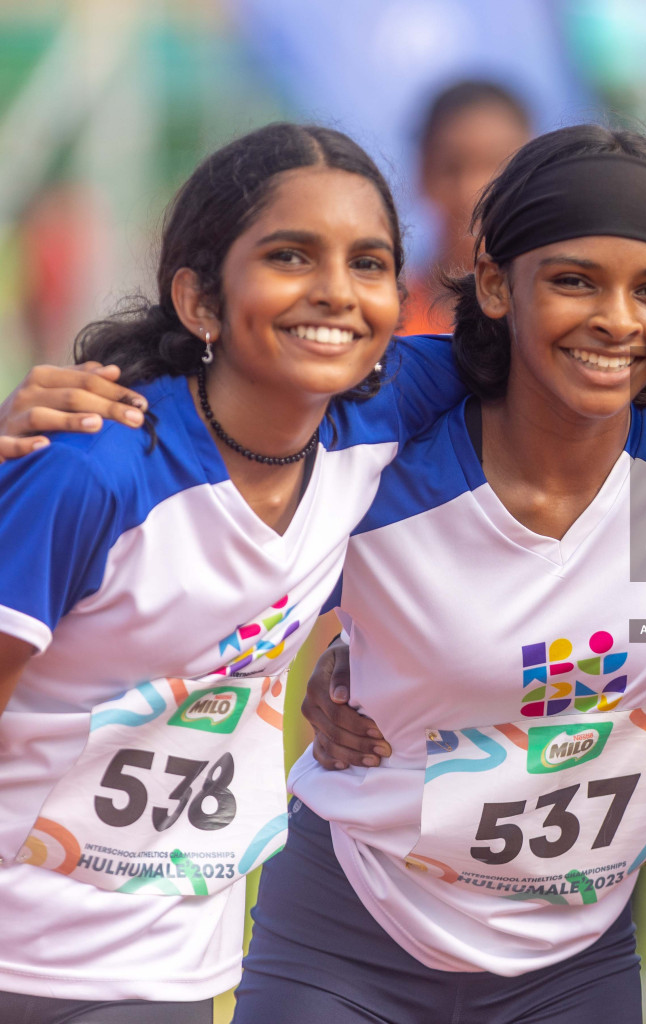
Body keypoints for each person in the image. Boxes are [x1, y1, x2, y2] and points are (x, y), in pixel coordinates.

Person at [232, 124, 646, 1024]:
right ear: (496, 282)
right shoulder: (392, 450)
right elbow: (221, 424)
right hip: (348, 929)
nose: (616, 318)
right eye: (574, 280)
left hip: (573, 961)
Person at [0, 123, 465, 1023]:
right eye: (291, 256)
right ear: (200, 299)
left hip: (169, 966)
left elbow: (602, 358)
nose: (336, 292)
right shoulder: (92, 469)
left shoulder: (381, 413)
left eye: (368, 264)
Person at [402, 79, 533, 335]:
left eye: (498, 168)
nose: (473, 192)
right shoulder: (387, 321)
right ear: (421, 174)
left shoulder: (554, 320)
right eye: (450, 168)